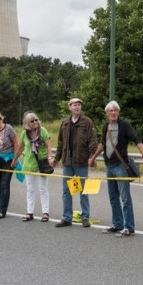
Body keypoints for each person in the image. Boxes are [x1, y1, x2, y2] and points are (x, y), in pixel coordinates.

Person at [89, 101, 143, 237]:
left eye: (115, 110)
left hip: (121, 166)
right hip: (109, 166)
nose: (113, 113)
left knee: (125, 198)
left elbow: (136, 139)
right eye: (110, 111)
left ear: (118, 112)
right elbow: (103, 144)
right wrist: (93, 158)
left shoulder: (124, 125)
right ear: (107, 113)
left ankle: (129, 227)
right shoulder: (106, 127)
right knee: (113, 197)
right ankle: (117, 224)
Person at [50, 98, 98, 228]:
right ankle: (66, 217)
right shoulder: (65, 123)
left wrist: (92, 157)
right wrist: (56, 159)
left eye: (79, 105)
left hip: (81, 161)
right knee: (66, 191)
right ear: (69, 107)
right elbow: (60, 143)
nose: (77, 107)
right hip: (67, 162)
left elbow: (93, 141)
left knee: (84, 191)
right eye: (74, 105)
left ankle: (85, 217)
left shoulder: (87, 122)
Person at [16, 111, 51, 222]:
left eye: (36, 119)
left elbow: (49, 146)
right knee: (30, 189)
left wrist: (50, 158)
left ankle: (45, 212)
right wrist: (14, 160)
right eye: (32, 121)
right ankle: (29, 212)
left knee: (43, 189)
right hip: (29, 163)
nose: (35, 122)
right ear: (27, 123)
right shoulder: (24, 134)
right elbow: (20, 148)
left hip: (41, 164)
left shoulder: (43, 130)